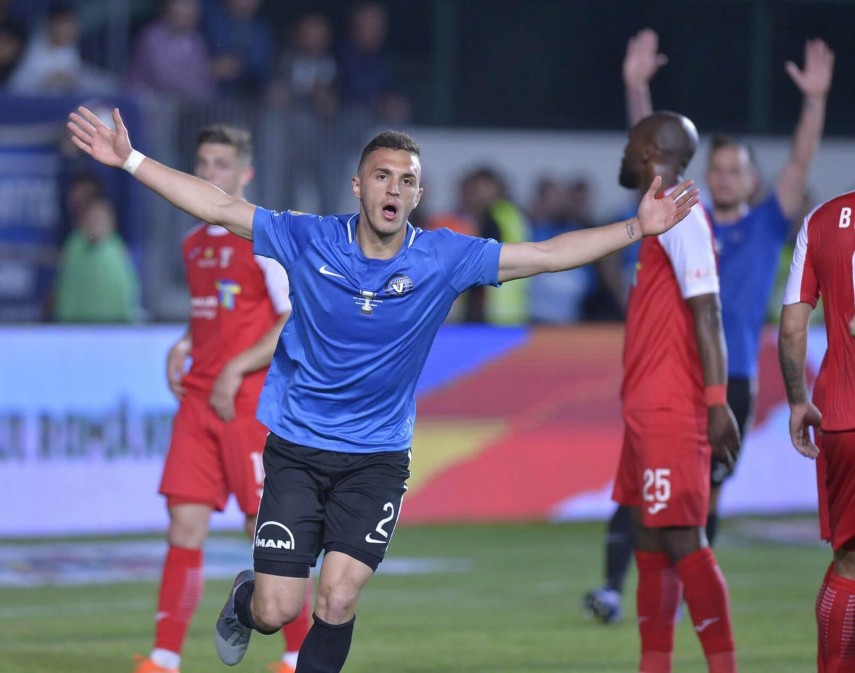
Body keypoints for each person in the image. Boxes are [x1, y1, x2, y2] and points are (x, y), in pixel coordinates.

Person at [67, 103, 699, 673]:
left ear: (417, 194)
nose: (393, 188)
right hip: (297, 450)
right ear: (358, 185)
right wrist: (131, 160)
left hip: (376, 460)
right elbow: (219, 207)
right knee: (276, 610)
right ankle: (244, 600)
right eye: (381, 176)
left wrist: (635, 228)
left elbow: (545, 254)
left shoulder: (443, 257)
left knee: (337, 598)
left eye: (406, 180)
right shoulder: (310, 238)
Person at [584, 30, 834, 624]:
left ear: (750, 181)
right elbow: (651, 150)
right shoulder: (680, 216)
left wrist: (815, 100)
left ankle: (677, 596)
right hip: (673, 379)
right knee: (643, 481)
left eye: (733, 170)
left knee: (704, 494)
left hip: (735, 377)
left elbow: (799, 163)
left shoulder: (766, 225)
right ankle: (614, 588)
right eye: (716, 168)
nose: (722, 178)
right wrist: (636, 88)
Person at [130, 124, 311, 673]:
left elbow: (293, 317)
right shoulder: (194, 243)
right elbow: (212, 314)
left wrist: (236, 367)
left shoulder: (263, 239)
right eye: (203, 163)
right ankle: (164, 657)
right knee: (183, 527)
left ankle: (298, 656)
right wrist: (184, 344)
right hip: (198, 402)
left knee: (268, 531)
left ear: (244, 173)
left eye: (221, 164)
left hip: (250, 402)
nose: (209, 172)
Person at [611, 110, 741, 673]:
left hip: (673, 407)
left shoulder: (681, 214)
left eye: (630, 140)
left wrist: (717, 403)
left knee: (685, 538)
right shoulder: (658, 213)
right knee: (647, 536)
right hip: (644, 409)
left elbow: (707, 310)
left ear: (647, 149)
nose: (623, 148)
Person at [779, 190, 855, 673]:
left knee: (849, 564)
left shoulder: (822, 220)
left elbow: (792, 329)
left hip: (843, 416)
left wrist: (796, 400)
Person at [53, 196, 141, 323]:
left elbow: (127, 293)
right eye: (92, 219)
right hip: (73, 325)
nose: (95, 224)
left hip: (113, 325)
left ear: (111, 223)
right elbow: (65, 290)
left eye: (100, 219)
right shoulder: (74, 246)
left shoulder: (117, 250)